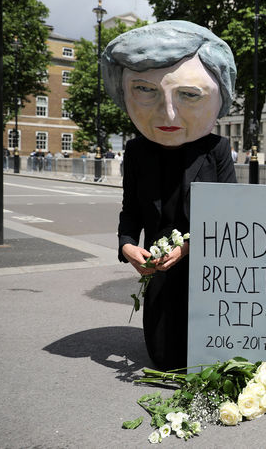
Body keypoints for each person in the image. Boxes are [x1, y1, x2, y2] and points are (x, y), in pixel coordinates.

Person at [102, 20, 238, 370]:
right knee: (164, 357)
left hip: (207, 272)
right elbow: (130, 210)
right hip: (159, 274)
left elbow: (228, 219)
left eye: (189, 95)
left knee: (204, 357)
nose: (169, 113)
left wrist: (186, 248)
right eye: (146, 91)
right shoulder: (136, 152)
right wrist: (126, 246)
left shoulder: (218, 150)